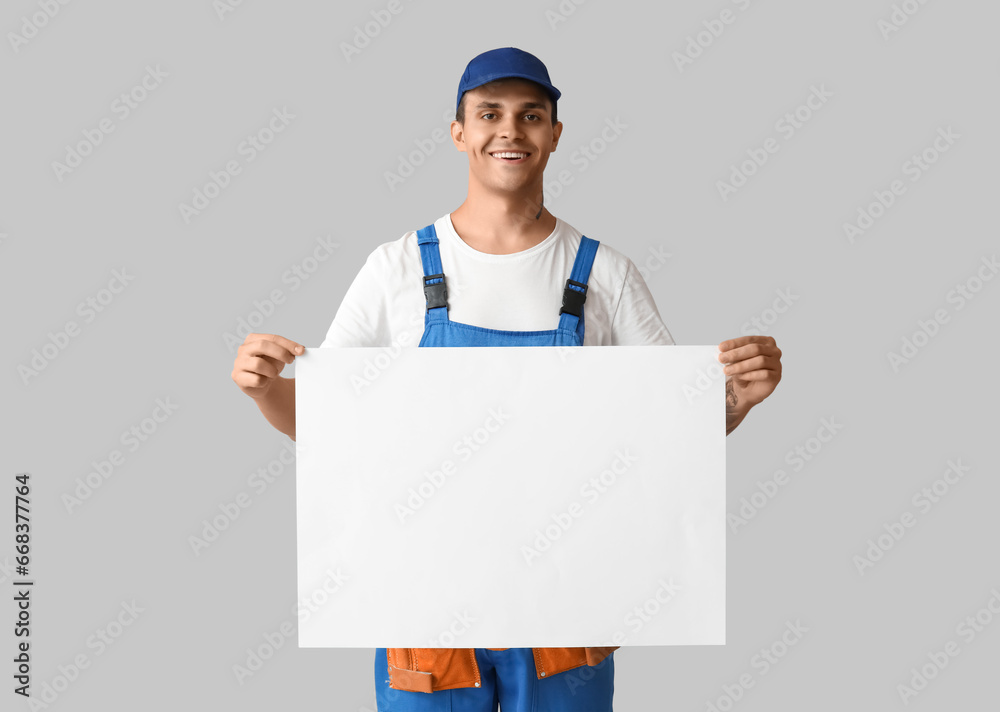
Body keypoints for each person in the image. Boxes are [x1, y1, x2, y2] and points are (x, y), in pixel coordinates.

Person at [231, 47, 782, 712]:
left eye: (531, 115)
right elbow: (329, 429)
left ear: (554, 133)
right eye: (489, 113)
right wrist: (266, 390)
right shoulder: (396, 268)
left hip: (567, 610)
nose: (510, 131)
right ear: (458, 131)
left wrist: (736, 402)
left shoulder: (606, 274)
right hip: (425, 614)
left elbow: (667, 426)